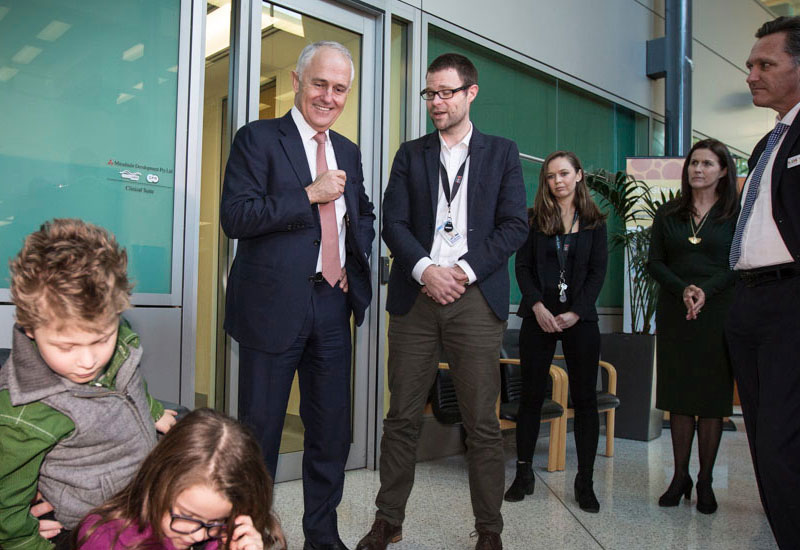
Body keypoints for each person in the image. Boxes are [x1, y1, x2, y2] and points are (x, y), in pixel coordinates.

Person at [356, 53, 528, 550]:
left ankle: (489, 529)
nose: (436, 102)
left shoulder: (501, 152)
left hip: (475, 299)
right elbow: (393, 222)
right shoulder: (411, 154)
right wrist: (426, 270)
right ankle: (389, 519)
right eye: (430, 93)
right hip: (417, 298)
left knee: (481, 421)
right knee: (402, 417)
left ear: (471, 93)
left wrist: (463, 271)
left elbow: (514, 224)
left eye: (446, 92)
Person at [220, 41, 375, 550]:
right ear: (296, 81)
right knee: (259, 434)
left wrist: (353, 258)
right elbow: (236, 216)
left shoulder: (347, 150)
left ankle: (322, 536)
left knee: (331, 434)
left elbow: (363, 213)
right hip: (271, 309)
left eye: (339, 89)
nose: (328, 96)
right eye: (319, 84)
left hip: (332, 304)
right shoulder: (258, 139)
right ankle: (252, 534)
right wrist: (309, 194)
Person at [0, 218, 177, 550]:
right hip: (93, 527)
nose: (88, 361)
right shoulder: (24, 413)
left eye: (101, 340)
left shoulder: (115, 331)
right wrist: (26, 543)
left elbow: (130, 376)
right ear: (29, 328)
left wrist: (152, 410)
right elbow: (5, 501)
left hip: (145, 497)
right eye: (66, 347)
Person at [726, 16, 800, 548]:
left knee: (782, 446)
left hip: (790, 302)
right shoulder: (767, 143)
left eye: (766, 64)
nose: (751, 74)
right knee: (765, 446)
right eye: (751, 64)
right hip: (750, 303)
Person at [505, 151, 607, 512]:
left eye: (564, 174)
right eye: (550, 176)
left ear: (579, 175)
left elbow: (597, 273)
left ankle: (585, 482)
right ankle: (523, 473)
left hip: (580, 320)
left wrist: (577, 312)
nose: (557, 181)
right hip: (539, 316)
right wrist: (536, 306)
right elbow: (523, 269)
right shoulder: (534, 221)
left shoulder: (594, 222)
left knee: (585, 399)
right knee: (530, 396)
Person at [647, 139, 738, 514]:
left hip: (718, 313)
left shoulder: (735, 214)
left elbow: (738, 263)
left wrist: (705, 291)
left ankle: (705, 480)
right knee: (680, 398)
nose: (697, 170)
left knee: (712, 401)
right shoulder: (669, 213)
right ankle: (680, 476)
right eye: (693, 163)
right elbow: (655, 262)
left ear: (723, 170)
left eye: (707, 164)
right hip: (675, 310)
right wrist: (683, 289)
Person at [73, 408, 284, 550]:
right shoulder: (107, 538)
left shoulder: (227, 537)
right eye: (186, 516)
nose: (199, 536)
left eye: (218, 521)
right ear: (157, 483)